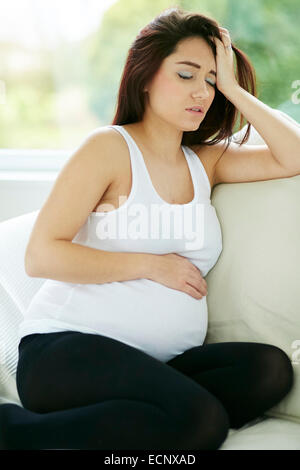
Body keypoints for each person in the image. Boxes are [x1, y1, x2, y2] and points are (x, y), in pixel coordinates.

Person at [1, 7, 298, 450]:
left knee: (269, 369)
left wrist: (234, 88)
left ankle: (151, 416)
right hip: (66, 352)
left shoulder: (206, 162)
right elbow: (42, 254)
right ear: (145, 76)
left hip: (159, 364)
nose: (203, 92)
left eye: (211, 80)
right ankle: (13, 431)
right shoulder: (109, 147)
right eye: (186, 75)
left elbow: (293, 154)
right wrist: (151, 265)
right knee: (202, 422)